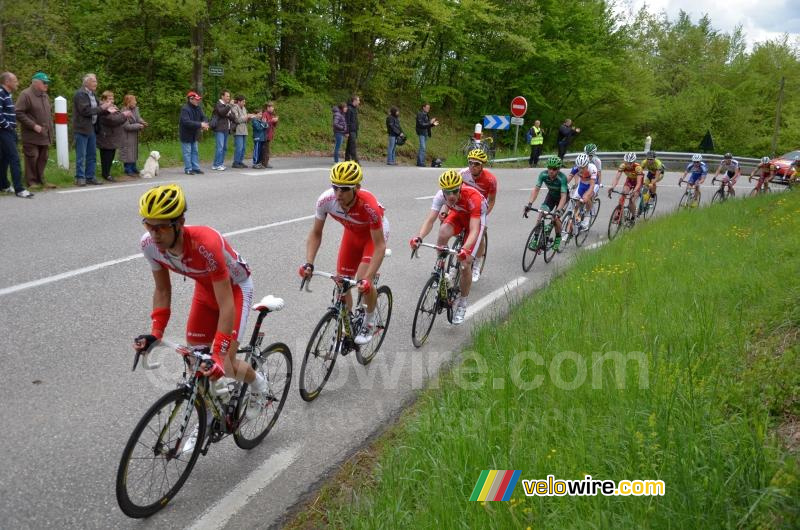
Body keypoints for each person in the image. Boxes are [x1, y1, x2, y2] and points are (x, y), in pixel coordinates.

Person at [133, 184, 269, 423]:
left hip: (236, 290)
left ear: (180, 222)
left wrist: (218, 354)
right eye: (148, 225)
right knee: (197, 361)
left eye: (162, 226)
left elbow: (227, 304)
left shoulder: (206, 244)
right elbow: (163, 289)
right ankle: (208, 419)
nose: (154, 234)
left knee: (225, 363)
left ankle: (260, 386)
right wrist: (156, 332)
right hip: (205, 291)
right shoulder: (149, 246)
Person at [299, 161, 389, 345]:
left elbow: (379, 246)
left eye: (344, 189)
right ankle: (347, 324)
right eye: (335, 187)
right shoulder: (326, 200)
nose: (338, 194)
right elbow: (316, 233)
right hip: (352, 234)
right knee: (342, 282)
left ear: (357, 187)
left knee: (363, 280)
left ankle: (369, 322)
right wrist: (309, 262)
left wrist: (368, 278)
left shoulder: (369, 205)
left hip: (373, 237)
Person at [410, 169, 486, 325]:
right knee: (443, 231)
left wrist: (465, 250)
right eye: (447, 192)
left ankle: (462, 304)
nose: (451, 195)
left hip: (474, 219)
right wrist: (419, 237)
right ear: (442, 191)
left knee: (465, 264)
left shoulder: (472, 198)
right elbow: (430, 220)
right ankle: (440, 267)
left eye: (454, 191)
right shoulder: (440, 196)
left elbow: (474, 230)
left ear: (460, 188)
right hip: (458, 215)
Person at [458, 149, 497, 281]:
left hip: (481, 208)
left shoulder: (491, 179)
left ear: (482, 165)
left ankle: (476, 265)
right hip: (464, 205)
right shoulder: (463, 174)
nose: (472, 166)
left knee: (480, 234)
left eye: (476, 164)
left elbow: (491, 200)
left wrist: (484, 217)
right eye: (470, 163)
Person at [73, 73, 114, 186]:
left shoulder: (92, 94)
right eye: (94, 81)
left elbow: (97, 110)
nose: (96, 83)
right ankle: (80, 177)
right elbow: (86, 111)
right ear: (86, 82)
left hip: (92, 128)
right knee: (81, 155)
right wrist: (102, 107)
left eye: (96, 81)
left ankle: (90, 176)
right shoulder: (80, 94)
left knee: (92, 155)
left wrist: (108, 109)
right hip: (81, 128)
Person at [15, 72, 55, 189]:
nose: (46, 85)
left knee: (43, 157)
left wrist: (50, 130)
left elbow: (48, 114)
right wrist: (33, 125)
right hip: (31, 135)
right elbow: (18, 112)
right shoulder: (25, 94)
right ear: (35, 83)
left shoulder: (45, 96)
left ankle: (41, 180)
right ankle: (31, 182)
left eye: (47, 83)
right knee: (32, 156)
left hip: (45, 134)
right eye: (44, 82)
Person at [524, 156, 569, 251]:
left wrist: (558, 211)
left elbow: (564, 196)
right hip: (551, 196)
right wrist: (529, 204)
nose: (551, 171)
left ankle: (558, 237)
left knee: (555, 218)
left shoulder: (562, 178)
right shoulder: (543, 175)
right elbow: (536, 190)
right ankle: (536, 239)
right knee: (541, 213)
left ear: (558, 169)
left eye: (554, 169)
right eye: (549, 168)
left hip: (563, 199)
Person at [0, 72, 33, 198]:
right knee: (14, 158)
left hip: (8, 131)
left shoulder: (7, 94)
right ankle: (19, 189)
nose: (17, 83)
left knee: (4, 159)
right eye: (15, 80)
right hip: (4, 131)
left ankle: (3, 185)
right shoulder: (1, 93)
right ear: (7, 82)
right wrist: (8, 126)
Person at [96, 91, 131, 182]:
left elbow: (118, 119)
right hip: (106, 136)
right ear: (103, 100)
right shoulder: (102, 109)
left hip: (113, 136)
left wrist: (122, 116)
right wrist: (124, 115)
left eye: (112, 98)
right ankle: (106, 174)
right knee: (106, 156)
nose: (112, 101)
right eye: (109, 99)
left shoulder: (113, 107)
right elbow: (112, 120)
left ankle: (107, 173)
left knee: (111, 155)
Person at [179, 91, 209, 175]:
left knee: (195, 151)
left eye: (198, 99)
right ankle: (188, 169)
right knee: (187, 152)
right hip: (186, 135)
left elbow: (204, 117)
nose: (197, 101)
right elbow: (186, 122)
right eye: (196, 99)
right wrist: (200, 124)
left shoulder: (198, 108)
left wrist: (205, 124)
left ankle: (195, 168)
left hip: (194, 134)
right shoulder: (185, 109)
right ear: (190, 99)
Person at [566, 153, 598, 230]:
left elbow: (592, 185)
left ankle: (587, 215)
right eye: (579, 168)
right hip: (583, 184)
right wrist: (563, 185)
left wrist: (587, 195)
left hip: (592, 184)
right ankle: (575, 217)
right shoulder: (576, 168)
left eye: (583, 168)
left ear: (587, 165)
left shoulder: (592, 168)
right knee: (575, 200)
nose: (580, 170)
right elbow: (569, 178)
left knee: (586, 198)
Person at [609, 152, 644, 217]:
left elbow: (639, 183)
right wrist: (612, 187)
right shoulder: (622, 166)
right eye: (626, 162)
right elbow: (617, 178)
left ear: (634, 162)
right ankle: (619, 213)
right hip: (629, 181)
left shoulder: (638, 168)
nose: (628, 165)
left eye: (630, 163)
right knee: (623, 193)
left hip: (637, 183)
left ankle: (633, 216)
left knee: (631, 201)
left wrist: (634, 191)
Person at [120, 94, 147, 176]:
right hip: (126, 135)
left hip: (134, 134)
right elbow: (126, 126)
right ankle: (128, 169)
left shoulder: (135, 109)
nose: (135, 102)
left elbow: (138, 118)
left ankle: (133, 167)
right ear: (129, 102)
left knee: (134, 150)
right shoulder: (123, 111)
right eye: (134, 101)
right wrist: (139, 126)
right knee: (128, 151)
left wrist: (143, 122)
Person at [230, 95, 255, 169]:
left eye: (244, 101)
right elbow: (237, 120)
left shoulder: (244, 108)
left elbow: (245, 119)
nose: (244, 103)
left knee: (243, 148)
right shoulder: (234, 108)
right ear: (239, 101)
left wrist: (250, 117)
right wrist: (246, 116)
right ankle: (236, 162)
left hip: (244, 130)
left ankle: (240, 161)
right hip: (238, 130)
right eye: (243, 101)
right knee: (239, 147)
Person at [211, 90, 234, 171]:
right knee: (220, 147)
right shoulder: (218, 104)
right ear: (222, 96)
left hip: (226, 129)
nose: (229, 97)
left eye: (229, 96)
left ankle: (220, 163)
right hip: (219, 129)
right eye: (227, 96)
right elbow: (221, 113)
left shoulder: (227, 105)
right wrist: (229, 107)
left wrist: (228, 112)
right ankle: (216, 164)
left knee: (224, 148)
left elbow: (233, 117)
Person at [415, 102, 438, 167]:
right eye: (427, 107)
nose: (428, 109)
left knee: (422, 148)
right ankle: (421, 162)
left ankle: (419, 162)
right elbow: (421, 124)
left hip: (425, 133)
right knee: (423, 147)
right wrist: (430, 122)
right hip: (421, 132)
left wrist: (433, 124)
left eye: (429, 108)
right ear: (423, 107)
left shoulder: (426, 115)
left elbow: (427, 125)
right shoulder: (420, 114)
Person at [257, 101, 279, 169]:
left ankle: (266, 162)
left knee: (267, 149)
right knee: (265, 149)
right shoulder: (265, 114)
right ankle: (264, 163)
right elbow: (264, 124)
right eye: (271, 107)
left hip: (269, 134)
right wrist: (272, 120)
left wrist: (275, 121)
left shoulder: (271, 114)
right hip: (265, 134)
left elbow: (274, 125)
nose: (273, 109)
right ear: (268, 107)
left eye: (273, 107)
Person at [344, 96, 360, 163]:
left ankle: (347, 160)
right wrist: (347, 132)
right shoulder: (349, 109)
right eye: (358, 100)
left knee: (349, 146)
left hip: (354, 130)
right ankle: (356, 161)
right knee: (353, 146)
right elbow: (347, 121)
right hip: (350, 131)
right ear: (354, 100)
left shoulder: (354, 109)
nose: (359, 102)